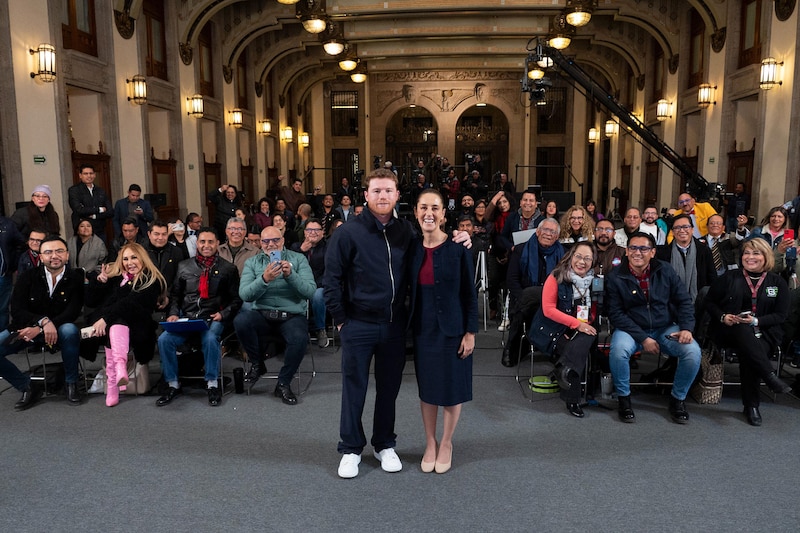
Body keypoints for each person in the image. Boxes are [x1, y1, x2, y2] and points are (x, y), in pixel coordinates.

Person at [323, 168, 470, 479]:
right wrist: (340, 322)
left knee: (388, 390)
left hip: (394, 326)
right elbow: (332, 280)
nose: (382, 196)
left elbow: (436, 242)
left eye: (388, 191)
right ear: (366, 195)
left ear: (397, 196)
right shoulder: (347, 233)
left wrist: (462, 235)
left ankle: (384, 443)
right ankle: (350, 448)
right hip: (357, 324)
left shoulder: (406, 232)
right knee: (354, 389)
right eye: (376, 191)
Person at [410, 189, 477, 473]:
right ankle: (430, 442)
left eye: (435, 208)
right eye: (423, 208)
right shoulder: (410, 248)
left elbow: (469, 294)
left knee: (452, 388)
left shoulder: (458, 249)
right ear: (415, 213)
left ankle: (447, 442)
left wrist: (470, 332)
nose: (429, 213)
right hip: (422, 329)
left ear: (443, 214)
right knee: (428, 390)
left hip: (453, 330)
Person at [605, 232, 701, 424]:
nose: (637, 252)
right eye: (633, 248)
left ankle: (677, 400)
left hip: (664, 328)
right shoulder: (615, 276)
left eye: (643, 248)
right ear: (626, 251)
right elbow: (615, 314)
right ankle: (624, 399)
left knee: (692, 351)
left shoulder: (665, 270)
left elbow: (684, 301)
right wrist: (643, 338)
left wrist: (687, 328)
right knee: (618, 351)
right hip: (631, 330)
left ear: (653, 252)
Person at [705, 238, 792, 426]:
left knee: (750, 351)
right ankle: (768, 379)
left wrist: (756, 320)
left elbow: (781, 315)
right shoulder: (730, 277)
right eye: (746, 253)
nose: (750, 257)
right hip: (729, 330)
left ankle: (751, 406)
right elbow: (709, 302)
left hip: (764, 332)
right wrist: (723, 316)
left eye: (756, 253)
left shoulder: (777, 282)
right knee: (742, 329)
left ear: (766, 256)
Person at [156, 228, 242, 407]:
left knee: (210, 339)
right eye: (203, 242)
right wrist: (172, 314)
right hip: (187, 319)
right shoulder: (184, 266)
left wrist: (223, 314)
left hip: (212, 318)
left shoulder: (228, 268)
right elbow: (175, 296)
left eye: (211, 242)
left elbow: (236, 299)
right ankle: (172, 383)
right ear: (197, 243)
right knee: (164, 339)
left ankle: (212, 383)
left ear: (218, 243)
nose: (206, 245)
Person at [0, 236, 84, 409]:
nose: (54, 255)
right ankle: (27, 386)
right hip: (25, 328)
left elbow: (72, 312)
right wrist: (42, 322)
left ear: (67, 255)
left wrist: (41, 327)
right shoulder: (27, 276)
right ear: (41, 256)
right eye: (48, 252)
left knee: (70, 330)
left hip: (60, 330)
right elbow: (16, 310)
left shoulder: (76, 277)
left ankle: (71, 383)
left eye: (59, 251)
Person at [235, 226, 316, 405]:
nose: (271, 245)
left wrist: (291, 276)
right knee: (241, 321)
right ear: (260, 243)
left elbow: (310, 292)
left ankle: (283, 382)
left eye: (275, 240)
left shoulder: (299, 259)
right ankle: (257, 364)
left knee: (299, 338)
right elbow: (245, 295)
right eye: (266, 241)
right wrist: (264, 279)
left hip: (292, 315)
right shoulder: (253, 262)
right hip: (263, 314)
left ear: (283, 240)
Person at [86, 243, 166, 407]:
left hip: (139, 325)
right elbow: (91, 301)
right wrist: (101, 282)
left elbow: (132, 304)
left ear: (142, 258)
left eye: (134, 257)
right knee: (115, 323)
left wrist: (105, 319)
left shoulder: (151, 279)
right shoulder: (116, 278)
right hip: (113, 326)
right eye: (125, 259)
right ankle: (120, 367)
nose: (129, 262)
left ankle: (114, 380)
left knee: (116, 319)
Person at [529, 243, 599, 417]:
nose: (582, 261)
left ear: (593, 261)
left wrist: (584, 325)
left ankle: (564, 374)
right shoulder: (556, 276)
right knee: (576, 348)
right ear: (571, 256)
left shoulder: (597, 281)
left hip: (586, 326)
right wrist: (577, 324)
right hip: (555, 328)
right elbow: (548, 310)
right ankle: (573, 397)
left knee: (583, 341)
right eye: (578, 256)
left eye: (587, 258)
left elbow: (601, 309)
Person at [501, 217, 565, 367]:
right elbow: (512, 280)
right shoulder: (520, 250)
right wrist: (524, 297)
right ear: (537, 231)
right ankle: (513, 348)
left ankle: (556, 349)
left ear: (557, 236)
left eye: (553, 232)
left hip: (552, 303)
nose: (548, 234)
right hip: (524, 300)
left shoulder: (564, 255)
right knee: (524, 304)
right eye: (545, 230)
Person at [656, 214, 716, 305]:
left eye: (685, 227)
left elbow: (712, 278)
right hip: (669, 304)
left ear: (692, 229)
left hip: (699, 304)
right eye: (677, 227)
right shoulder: (662, 253)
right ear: (672, 231)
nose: (682, 230)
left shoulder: (704, 251)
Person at [290, 218, 329, 347]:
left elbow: (329, 272)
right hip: (298, 286)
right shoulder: (296, 247)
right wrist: (301, 251)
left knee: (318, 295)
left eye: (316, 230)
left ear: (322, 233)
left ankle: (320, 329)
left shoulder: (328, 247)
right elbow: (290, 268)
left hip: (319, 286)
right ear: (304, 232)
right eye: (309, 230)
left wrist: (312, 287)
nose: (313, 232)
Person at [67, 164, 113, 239]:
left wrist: (95, 216)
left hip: (99, 231)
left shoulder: (101, 191)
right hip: (82, 232)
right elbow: (78, 210)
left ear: (95, 175)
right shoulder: (74, 190)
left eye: (91, 173)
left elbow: (110, 212)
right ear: (80, 175)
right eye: (85, 173)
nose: (89, 176)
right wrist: (99, 209)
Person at [0, 216, 25, 330]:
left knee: (2, 309)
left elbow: (20, 243)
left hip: (3, 275)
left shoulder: (7, 224)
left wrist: (13, 263)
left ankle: (1, 340)